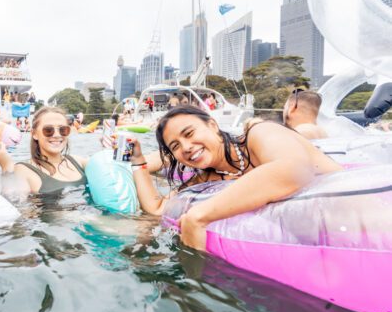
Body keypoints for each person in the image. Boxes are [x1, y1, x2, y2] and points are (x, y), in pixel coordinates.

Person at [129, 105, 342, 250]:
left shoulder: (260, 134)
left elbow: (295, 169)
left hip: (353, 218)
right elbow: (157, 209)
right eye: (175, 146)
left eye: (189, 133)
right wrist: (138, 161)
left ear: (213, 125)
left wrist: (200, 215)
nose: (185, 147)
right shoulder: (208, 178)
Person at [12, 106, 88, 195]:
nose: (57, 135)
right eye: (48, 130)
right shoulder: (23, 170)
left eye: (63, 130)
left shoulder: (79, 162)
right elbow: (16, 203)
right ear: (34, 134)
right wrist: (5, 165)